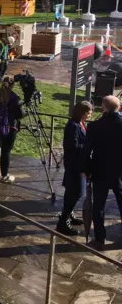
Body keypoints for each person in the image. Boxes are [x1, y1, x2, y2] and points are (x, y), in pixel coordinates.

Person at [83, 95, 122, 251]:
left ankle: (99, 239)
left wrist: (87, 170)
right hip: (120, 173)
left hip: (100, 172)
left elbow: (86, 152)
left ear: (103, 108)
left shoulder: (94, 126)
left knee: (98, 206)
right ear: (118, 108)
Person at [56, 101, 93, 236]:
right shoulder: (73, 126)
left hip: (78, 164)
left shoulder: (80, 124)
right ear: (82, 113)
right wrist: (88, 146)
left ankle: (69, 214)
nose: (90, 115)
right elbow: (72, 146)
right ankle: (63, 222)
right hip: (74, 165)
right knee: (76, 192)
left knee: (72, 192)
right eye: (88, 113)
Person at [0, 76, 24, 182]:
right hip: (9, 127)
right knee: (6, 151)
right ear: (12, 86)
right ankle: (4, 175)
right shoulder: (15, 98)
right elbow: (20, 114)